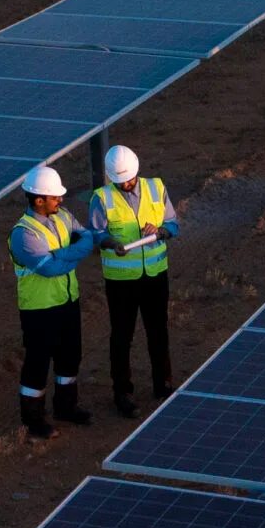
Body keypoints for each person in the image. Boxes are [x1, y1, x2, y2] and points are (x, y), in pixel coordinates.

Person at [87, 144, 177, 418]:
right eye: (119, 180)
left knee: (158, 332)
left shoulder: (156, 188)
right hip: (121, 282)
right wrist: (111, 242)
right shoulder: (101, 198)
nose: (125, 183)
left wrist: (160, 231)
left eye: (128, 178)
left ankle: (163, 384)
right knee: (121, 337)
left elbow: (173, 225)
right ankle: (122, 393)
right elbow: (97, 233)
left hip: (154, 276)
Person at [7, 164, 93, 439]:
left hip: (67, 301)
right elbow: (49, 269)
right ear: (39, 199)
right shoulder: (23, 234)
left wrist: (64, 255)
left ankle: (65, 407)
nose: (61, 200)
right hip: (39, 310)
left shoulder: (62, 216)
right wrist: (74, 254)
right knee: (38, 363)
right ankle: (33, 420)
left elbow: (88, 238)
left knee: (70, 356)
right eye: (55, 197)